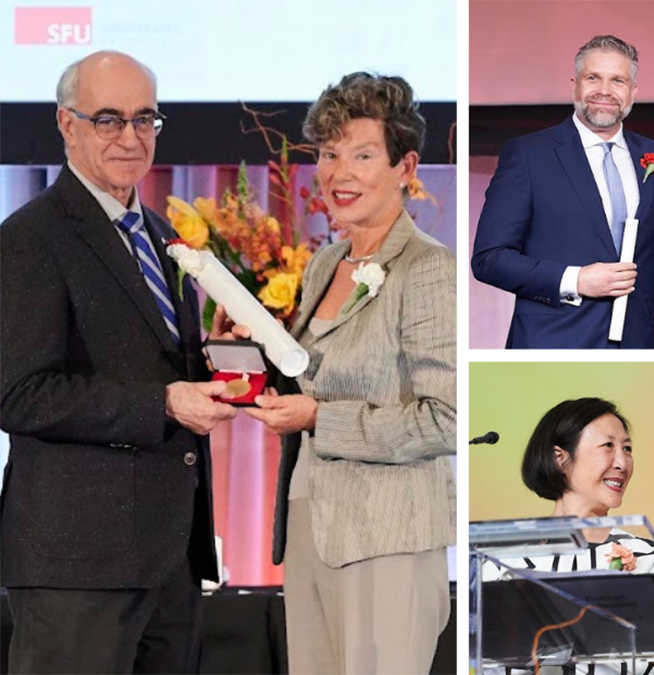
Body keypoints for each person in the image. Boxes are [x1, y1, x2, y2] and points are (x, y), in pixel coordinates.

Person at [0, 51, 237, 674]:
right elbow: (18, 393)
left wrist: (215, 360)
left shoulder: (160, 233)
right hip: (78, 567)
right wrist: (162, 402)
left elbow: (149, 365)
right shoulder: (29, 238)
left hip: (170, 562)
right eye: (108, 119)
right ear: (67, 124)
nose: (131, 137)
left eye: (145, 119)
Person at [218, 72, 456, 674]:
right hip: (310, 524)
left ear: (405, 166)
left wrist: (321, 418)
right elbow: (309, 382)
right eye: (328, 154)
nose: (339, 173)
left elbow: (447, 418)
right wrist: (248, 352)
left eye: (362, 154)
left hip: (387, 536)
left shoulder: (428, 269)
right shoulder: (326, 260)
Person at [472, 35, 654, 349]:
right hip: (553, 342)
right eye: (593, 77)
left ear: (633, 91)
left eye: (617, 80)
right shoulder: (528, 155)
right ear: (574, 85)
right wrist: (575, 280)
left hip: (638, 346)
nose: (604, 91)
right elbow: (489, 259)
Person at [481, 398, 654, 674]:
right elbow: (495, 662)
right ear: (559, 458)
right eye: (608, 446)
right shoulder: (503, 560)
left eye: (627, 448)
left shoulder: (650, 555)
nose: (622, 462)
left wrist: (551, 633)